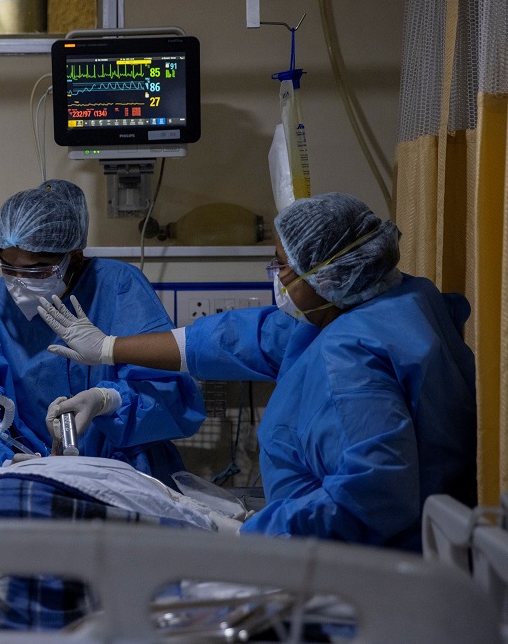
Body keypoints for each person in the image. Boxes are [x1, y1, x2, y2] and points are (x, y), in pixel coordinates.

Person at [39, 191, 477, 551]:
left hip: (368, 565)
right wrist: (109, 348)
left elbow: (372, 495)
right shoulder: (398, 303)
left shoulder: (349, 358)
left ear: (328, 273)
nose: (277, 275)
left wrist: (251, 532)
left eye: (283, 264)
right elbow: (240, 338)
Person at [0, 180, 205, 484]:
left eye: (36, 271)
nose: (19, 283)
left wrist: (108, 400)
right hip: (28, 475)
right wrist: (4, 461)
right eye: (9, 269)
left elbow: (174, 396)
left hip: (128, 477)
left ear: (74, 258)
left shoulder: (120, 287)